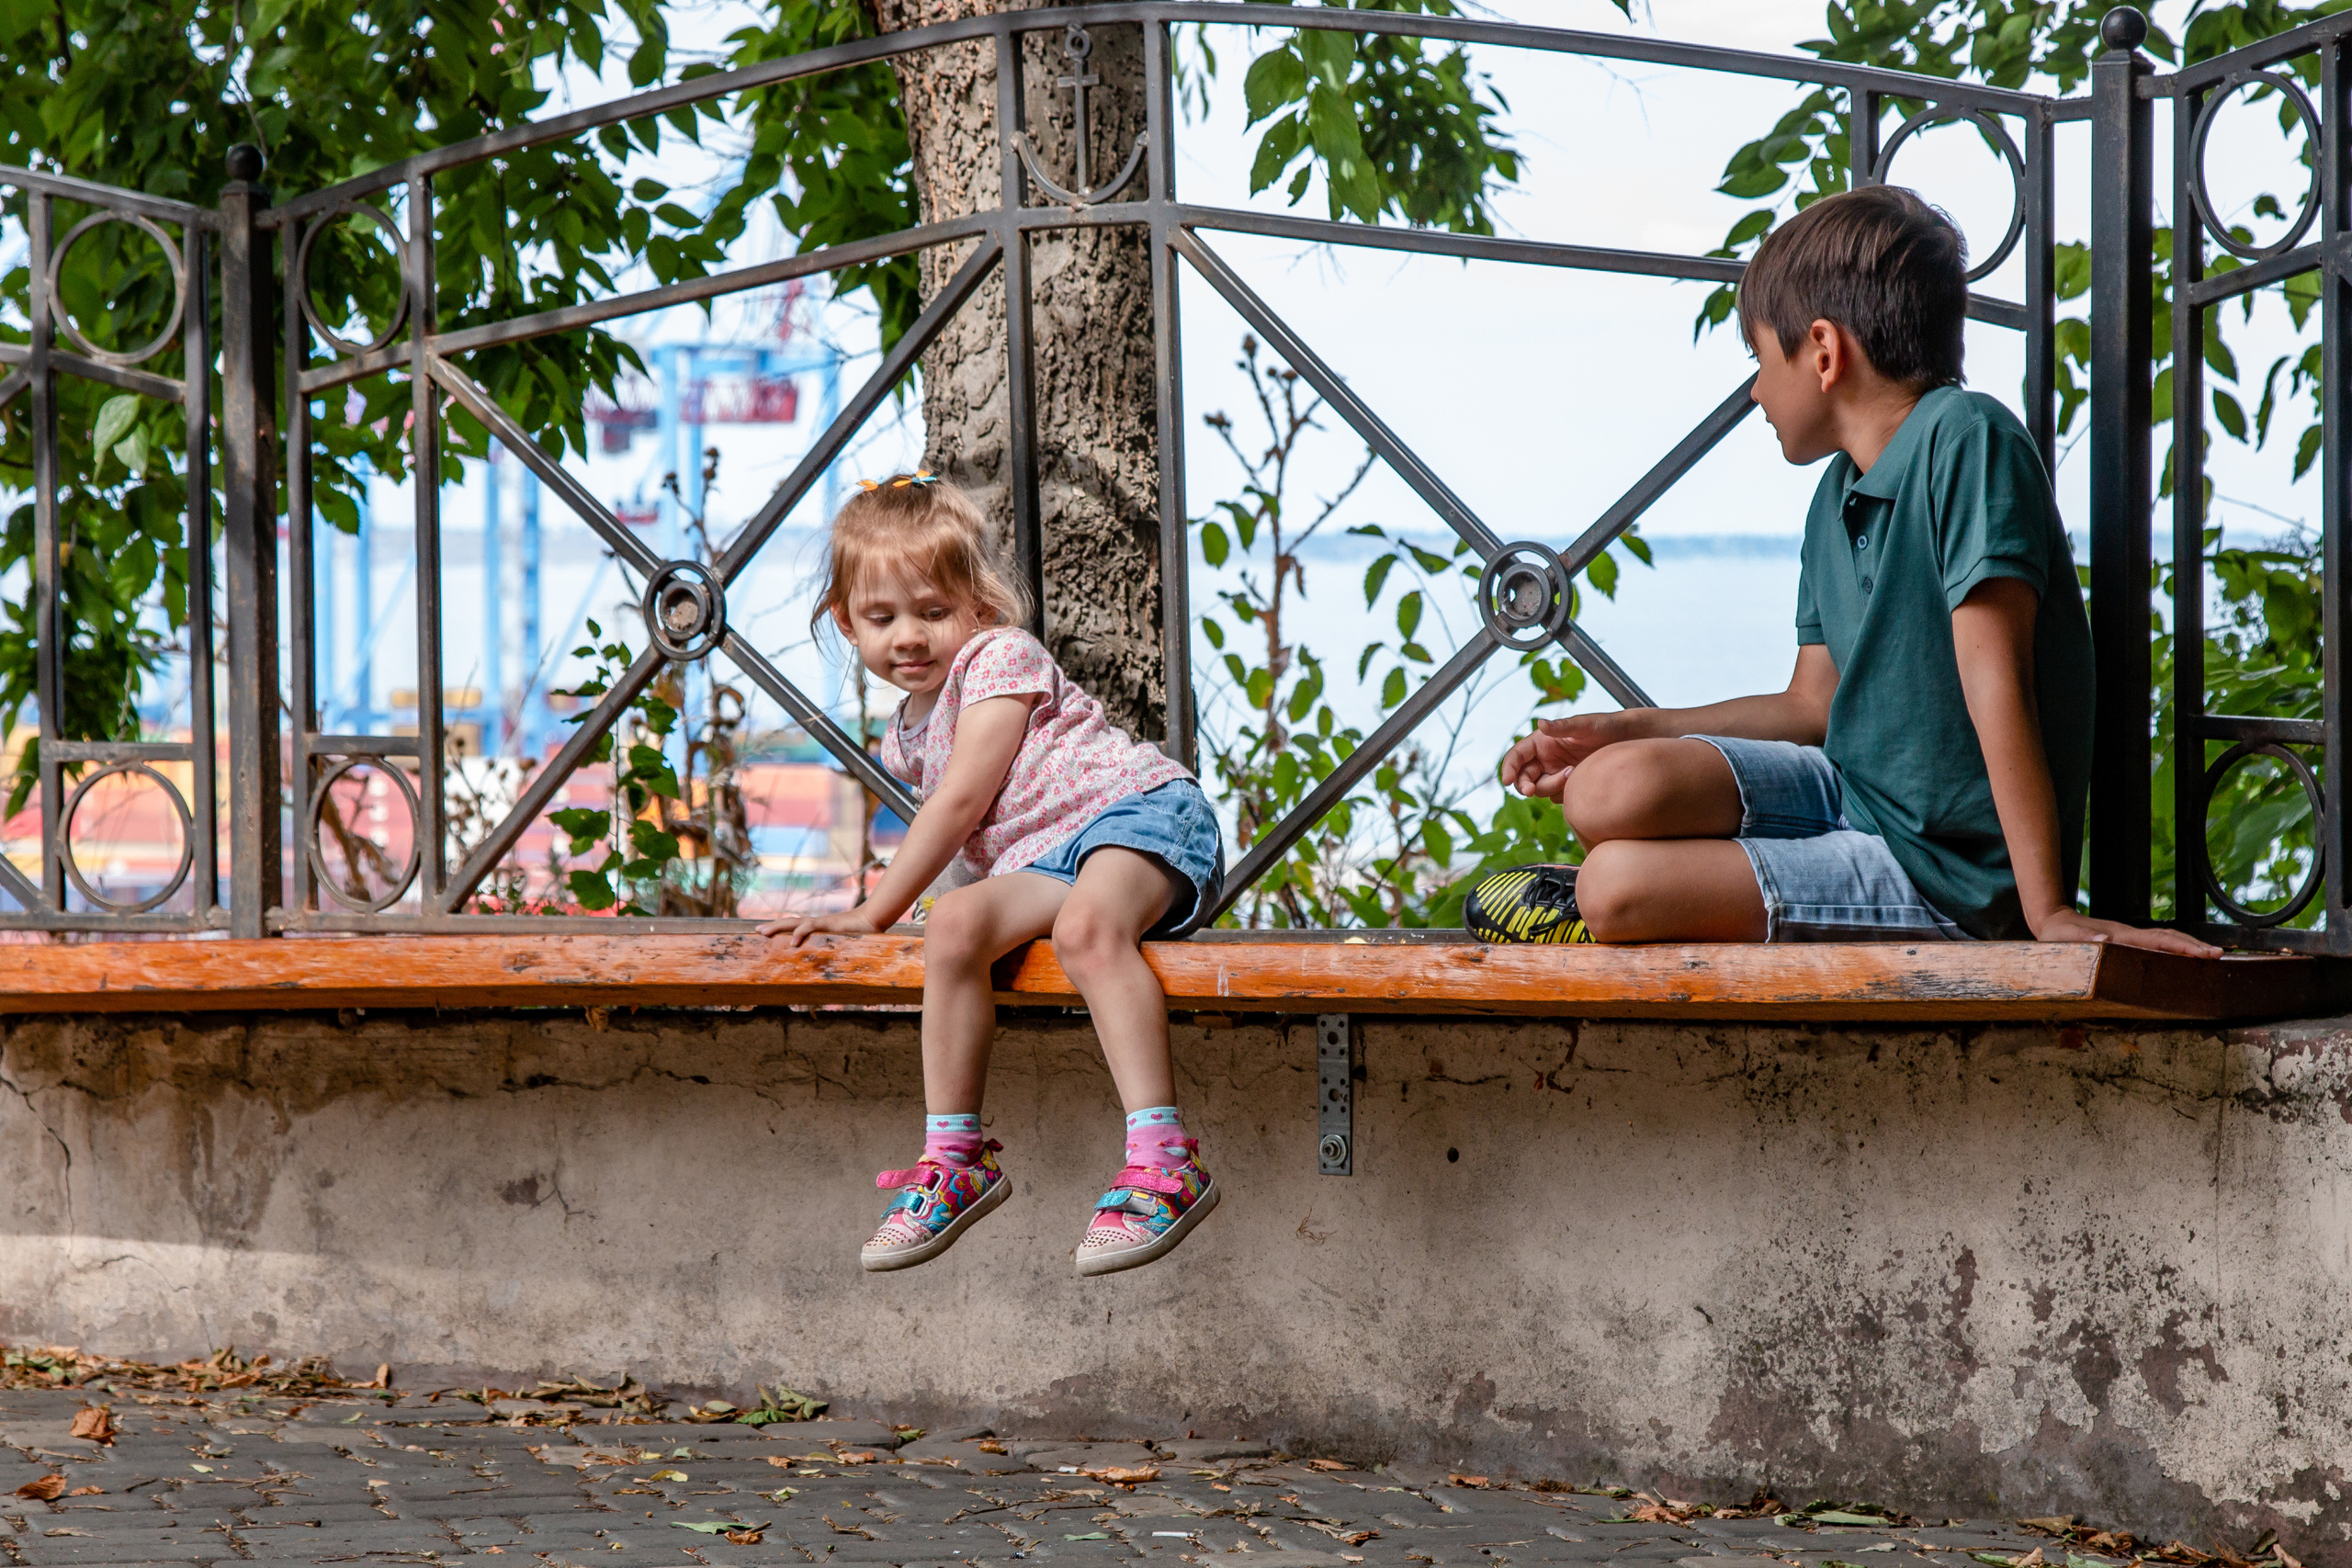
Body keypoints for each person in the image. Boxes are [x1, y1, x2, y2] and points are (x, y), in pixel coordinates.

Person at [1469, 185, 2215, 957]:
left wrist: (2047, 911)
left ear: (1823, 352)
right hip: (1850, 793)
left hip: (1946, 872)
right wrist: (1622, 730)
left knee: (1611, 887)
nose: (1756, 390)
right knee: (1605, 787)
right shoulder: (1836, 494)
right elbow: (1810, 705)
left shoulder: (1967, 438)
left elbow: (1999, 683)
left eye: (1761, 360)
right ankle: (1670, 883)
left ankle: (1638, 894)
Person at [763, 472, 1227, 1275]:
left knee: (1087, 931)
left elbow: (962, 802)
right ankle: (954, 1158)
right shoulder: (907, 729)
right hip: (1047, 858)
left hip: (1140, 815)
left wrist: (871, 910)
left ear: (979, 608)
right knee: (953, 925)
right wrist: (933, 909)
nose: (907, 635)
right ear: (846, 622)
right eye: (881, 618)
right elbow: (977, 855)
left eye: (933, 612)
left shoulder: (1001, 658)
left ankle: (1164, 1159)